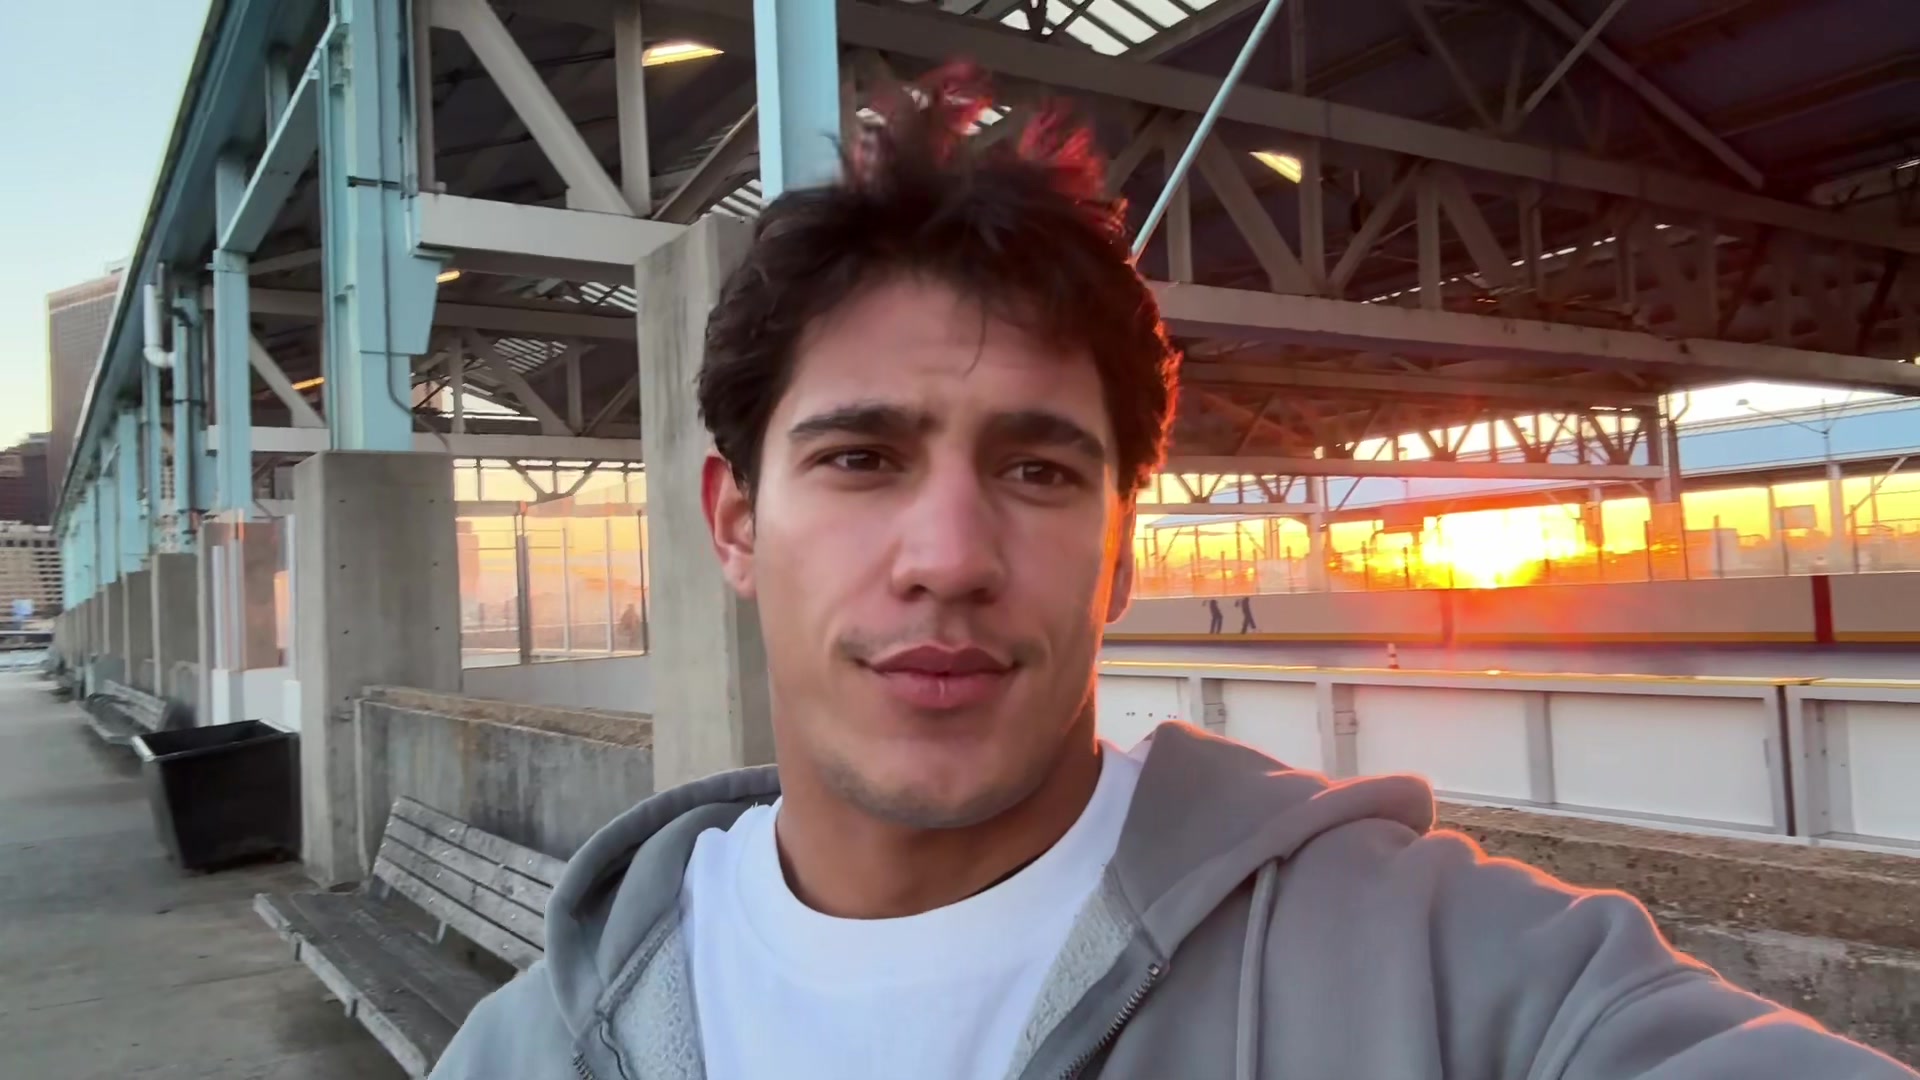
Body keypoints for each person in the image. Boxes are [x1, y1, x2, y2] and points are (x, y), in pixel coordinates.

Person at [430, 66, 1913, 1080]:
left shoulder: (1431, 971)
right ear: (735, 523)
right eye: (863, 458)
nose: (948, 559)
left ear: (1121, 550)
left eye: (1037, 471)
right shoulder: (531, 1048)